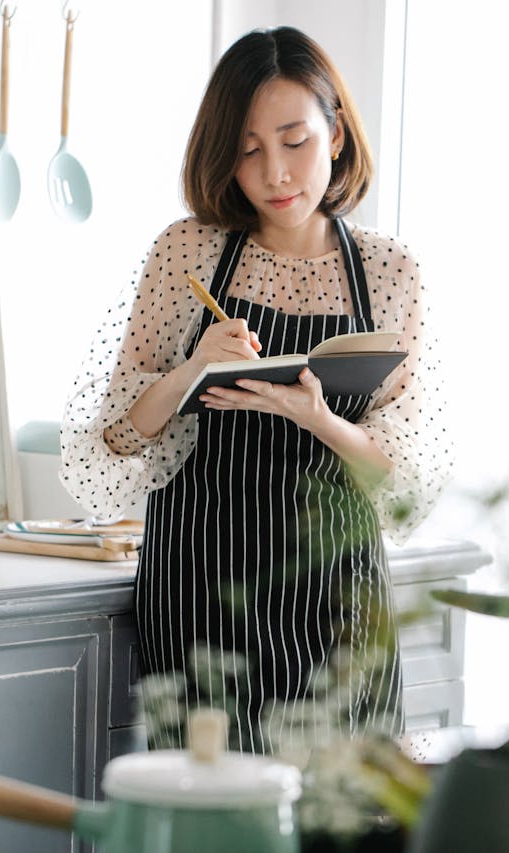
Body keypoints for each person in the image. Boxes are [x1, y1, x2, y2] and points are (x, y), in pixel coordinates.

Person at [60, 26, 451, 753]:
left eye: (295, 140)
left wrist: (320, 418)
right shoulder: (189, 253)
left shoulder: (392, 272)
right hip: (203, 598)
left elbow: (404, 485)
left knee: (348, 822)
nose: (275, 172)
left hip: (338, 605)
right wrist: (191, 370)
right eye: (248, 149)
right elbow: (112, 435)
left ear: (336, 134)